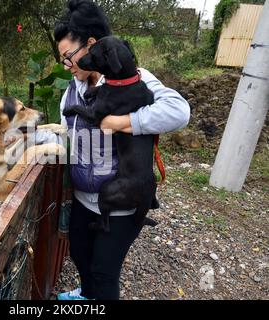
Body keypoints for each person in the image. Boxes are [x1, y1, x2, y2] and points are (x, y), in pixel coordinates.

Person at [52, 0, 190, 300]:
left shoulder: (133, 77)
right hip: (83, 197)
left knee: (104, 273)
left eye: (68, 57)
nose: (65, 65)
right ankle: (85, 294)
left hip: (121, 202)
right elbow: (67, 131)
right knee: (80, 255)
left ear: (91, 45)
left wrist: (122, 121)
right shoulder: (72, 90)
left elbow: (179, 111)